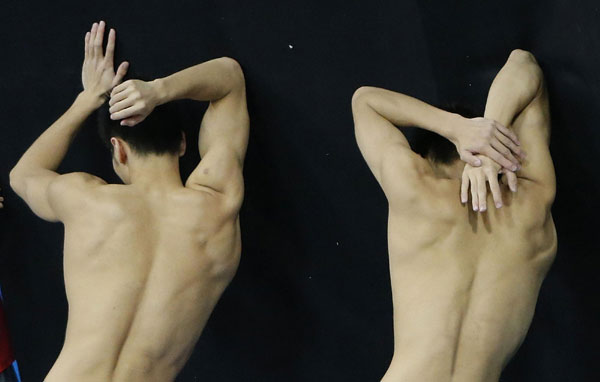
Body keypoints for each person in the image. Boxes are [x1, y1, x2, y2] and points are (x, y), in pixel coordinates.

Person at [9, 20, 248, 381]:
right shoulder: (218, 207)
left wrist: (87, 99)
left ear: (117, 150)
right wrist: (158, 91)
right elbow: (230, 78)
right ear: (183, 143)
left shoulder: (86, 200)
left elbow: (23, 175)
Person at [351, 49, 556, 382]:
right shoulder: (531, 207)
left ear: (429, 158)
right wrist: (490, 146)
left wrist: (459, 130)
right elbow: (523, 65)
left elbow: (365, 102)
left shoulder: (417, 190)